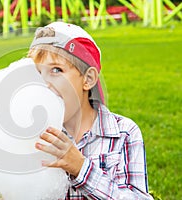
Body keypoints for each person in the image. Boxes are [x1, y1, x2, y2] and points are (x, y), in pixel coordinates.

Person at [28, 22, 153, 199]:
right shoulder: (36, 135)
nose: (44, 83)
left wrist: (81, 168)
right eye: (37, 72)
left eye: (56, 70)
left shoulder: (124, 133)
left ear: (88, 79)